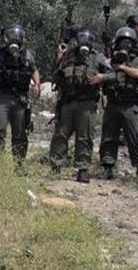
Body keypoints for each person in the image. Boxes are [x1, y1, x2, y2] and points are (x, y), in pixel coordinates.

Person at [48, 27, 108, 183]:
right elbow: (56, 75)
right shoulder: (68, 55)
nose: (84, 41)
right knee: (60, 135)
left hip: (87, 103)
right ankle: (56, 166)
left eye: (87, 38)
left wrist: (102, 77)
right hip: (67, 102)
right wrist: (59, 58)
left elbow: (111, 73)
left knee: (84, 137)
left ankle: (83, 169)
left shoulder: (97, 57)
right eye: (81, 37)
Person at [0, 24, 41, 162]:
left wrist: (37, 84)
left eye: (17, 36)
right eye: (11, 35)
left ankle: (19, 165)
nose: (14, 38)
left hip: (20, 100)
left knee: (20, 134)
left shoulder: (27, 55)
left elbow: (34, 70)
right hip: (3, 97)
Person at [100, 27, 138, 179]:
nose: (125, 45)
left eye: (128, 42)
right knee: (109, 137)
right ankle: (107, 167)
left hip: (130, 105)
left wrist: (121, 67)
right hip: (113, 103)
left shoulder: (137, 60)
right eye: (122, 41)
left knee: (135, 138)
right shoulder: (111, 59)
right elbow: (103, 73)